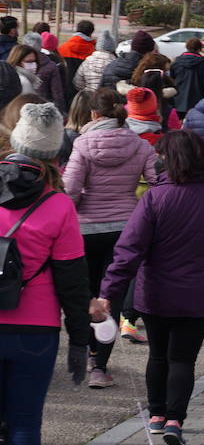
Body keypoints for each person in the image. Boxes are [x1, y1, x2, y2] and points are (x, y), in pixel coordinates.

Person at [95, 130, 204, 445]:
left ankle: (157, 414)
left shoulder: (154, 198)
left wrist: (109, 291)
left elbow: (129, 250)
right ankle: (176, 419)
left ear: (169, 160)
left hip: (156, 291)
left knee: (158, 355)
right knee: (183, 359)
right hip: (200, 292)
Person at [0, 140, 90, 445]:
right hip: (36, 329)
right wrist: (81, 340)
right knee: (25, 423)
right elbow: (73, 281)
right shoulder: (58, 206)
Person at [63, 88, 160, 383]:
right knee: (111, 294)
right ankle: (100, 367)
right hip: (124, 227)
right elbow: (156, 182)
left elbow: (70, 190)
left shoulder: (83, 143)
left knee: (85, 292)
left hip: (86, 229)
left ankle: (83, 353)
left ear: (94, 113)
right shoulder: (140, 144)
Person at [169, 39, 204, 116]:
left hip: (178, 100)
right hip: (197, 101)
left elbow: (172, 79)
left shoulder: (176, 62)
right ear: (200, 49)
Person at [9, 45, 64, 111]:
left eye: (34, 61)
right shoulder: (24, 82)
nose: (33, 65)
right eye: (29, 61)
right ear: (17, 61)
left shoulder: (26, 79)